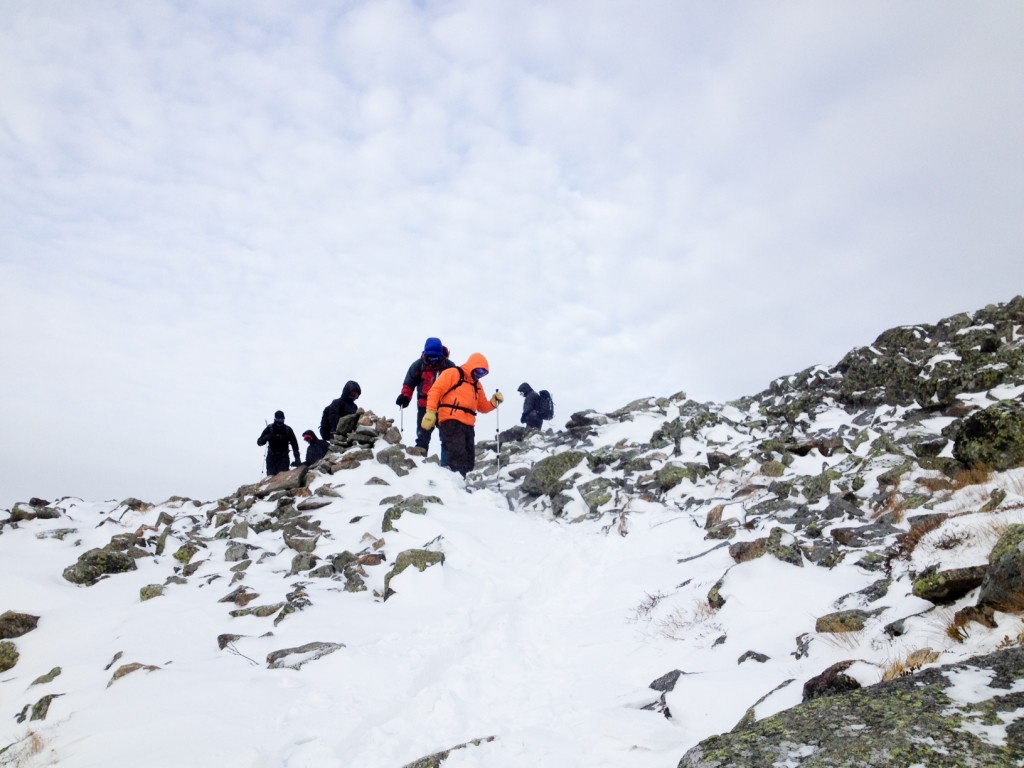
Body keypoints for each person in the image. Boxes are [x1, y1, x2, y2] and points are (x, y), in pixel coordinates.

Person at [421, 352, 503, 477]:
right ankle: (453, 482)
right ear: (472, 366)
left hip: (468, 425)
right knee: (457, 455)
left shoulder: (477, 385)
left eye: (483, 373)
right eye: (479, 370)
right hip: (451, 420)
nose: (480, 374)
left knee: (469, 459)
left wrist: (493, 402)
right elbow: (435, 390)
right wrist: (431, 412)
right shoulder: (453, 373)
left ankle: (460, 484)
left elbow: (482, 407)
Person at [396, 337, 455, 454]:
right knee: (422, 437)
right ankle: (420, 464)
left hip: (445, 407)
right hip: (425, 407)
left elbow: (458, 385)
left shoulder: (449, 366)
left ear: (441, 355)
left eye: (436, 357)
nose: (433, 360)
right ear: (425, 354)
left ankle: (449, 468)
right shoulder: (418, 365)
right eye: (430, 357)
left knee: (448, 438)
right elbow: (409, 383)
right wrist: (405, 396)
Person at [257, 410, 300, 477]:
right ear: (275, 419)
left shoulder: (288, 429)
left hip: (283, 458)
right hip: (271, 458)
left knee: (283, 478)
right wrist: (266, 437)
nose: (280, 421)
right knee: (270, 479)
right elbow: (259, 442)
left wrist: (297, 458)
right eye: (278, 419)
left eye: (282, 419)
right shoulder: (269, 428)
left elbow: (294, 444)